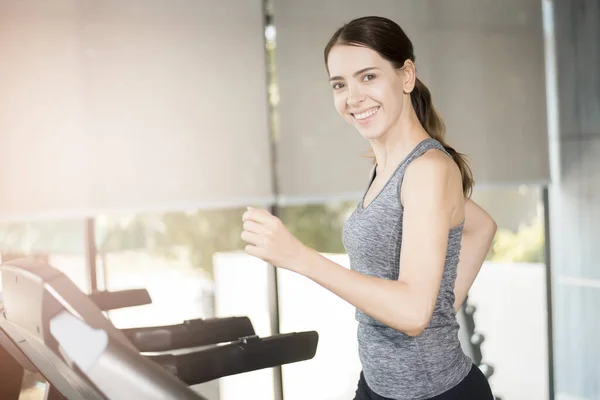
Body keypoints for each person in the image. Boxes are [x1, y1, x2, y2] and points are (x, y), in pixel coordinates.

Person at [241, 15, 497, 400]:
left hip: (433, 392)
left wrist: (299, 257)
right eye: (339, 84)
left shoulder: (427, 169)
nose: (353, 97)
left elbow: (412, 315)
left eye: (368, 77)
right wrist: (444, 304)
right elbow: (481, 227)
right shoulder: (391, 167)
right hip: (378, 384)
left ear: (406, 76)